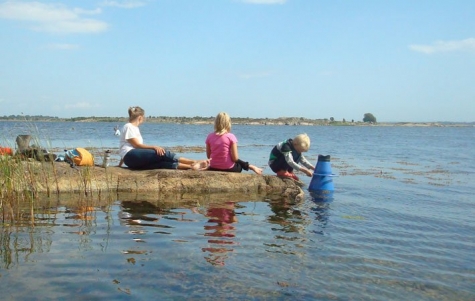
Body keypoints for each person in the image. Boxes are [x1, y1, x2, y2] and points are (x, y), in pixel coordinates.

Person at [119, 106, 209, 170]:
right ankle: (194, 161)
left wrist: (120, 165)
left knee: (160, 164)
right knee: (161, 152)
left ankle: (191, 167)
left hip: (132, 158)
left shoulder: (134, 128)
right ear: (140, 117)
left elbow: (126, 147)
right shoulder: (128, 126)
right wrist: (154, 147)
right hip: (131, 157)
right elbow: (136, 145)